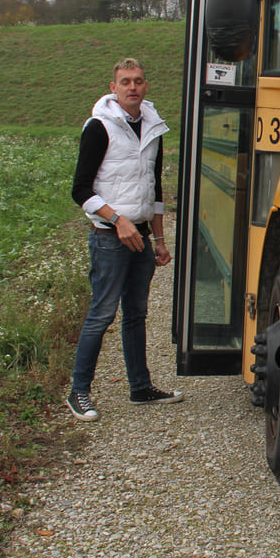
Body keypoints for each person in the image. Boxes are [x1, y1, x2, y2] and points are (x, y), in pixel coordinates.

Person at [67, 57, 183, 422]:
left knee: (136, 314)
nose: (132, 87)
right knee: (101, 314)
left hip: (142, 238)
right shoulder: (99, 128)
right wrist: (117, 221)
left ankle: (140, 387)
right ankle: (78, 392)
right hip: (109, 238)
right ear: (113, 88)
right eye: (125, 82)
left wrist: (161, 239)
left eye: (138, 81)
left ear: (146, 86)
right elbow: (80, 190)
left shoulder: (151, 126)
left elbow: (155, 188)